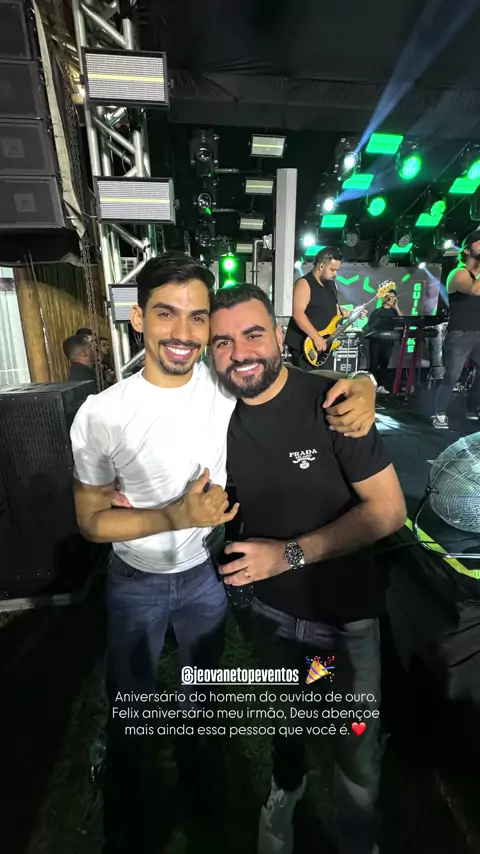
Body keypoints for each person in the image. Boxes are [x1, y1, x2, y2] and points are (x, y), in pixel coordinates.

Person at [69, 254, 377, 854]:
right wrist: (173, 516)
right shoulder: (101, 415)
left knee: (202, 699)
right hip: (135, 580)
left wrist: (361, 383)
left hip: (204, 580)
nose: (183, 333)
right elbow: (90, 521)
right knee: (132, 708)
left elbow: (285, 379)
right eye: (165, 314)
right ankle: (124, 829)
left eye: (196, 318)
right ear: (138, 318)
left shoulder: (220, 385)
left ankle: (201, 788)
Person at [208, 283, 407, 854]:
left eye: (253, 334)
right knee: (288, 717)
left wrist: (287, 554)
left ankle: (359, 839)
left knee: (354, 743)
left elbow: (388, 512)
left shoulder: (333, 404)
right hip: (270, 614)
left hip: (344, 618)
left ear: (279, 335)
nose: (240, 353)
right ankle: (287, 787)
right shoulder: (213, 413)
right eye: (223, 342)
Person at [285, 247, 366, 370]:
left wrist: (352, 313)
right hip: (306, 346)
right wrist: (316, 337)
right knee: (308, 380)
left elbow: (333, 310)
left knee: (325, 378)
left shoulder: (331, 285)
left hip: (325, 344)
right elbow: (298, 314)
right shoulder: (304, 283)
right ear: (321, 266)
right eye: (332, 270)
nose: (335, 274)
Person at [433, 231, 480, 428]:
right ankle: (439, 413)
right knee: (452, 374)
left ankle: (473, 408)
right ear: (467, 250)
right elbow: (475, 290)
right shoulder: (458, 273)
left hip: (478, 332)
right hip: (460, 332)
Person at [366, 289, 403, 394]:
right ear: (385, 298)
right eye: (389, 297)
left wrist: (396, 307)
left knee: (384, 364)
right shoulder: (377, 312)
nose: (391, 299)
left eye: (393, 297)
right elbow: (370, 325)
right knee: (374, 364)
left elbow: (402, 320)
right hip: (376, 341)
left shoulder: (394, 312)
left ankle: (381, 386)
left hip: (388, 342)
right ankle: (370, 386)